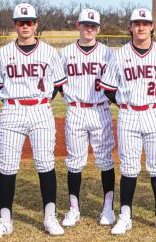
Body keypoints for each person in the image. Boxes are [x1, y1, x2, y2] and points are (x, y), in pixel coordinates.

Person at [99, 8, 156, 235]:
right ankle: (125, 215)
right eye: (136, 23)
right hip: (129, 114)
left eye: (145, 23)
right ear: (130, 27)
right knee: (129, 168)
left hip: (155, 113)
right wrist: (124, 103)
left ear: (152, 27)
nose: (141, 27)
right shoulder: (119, 55)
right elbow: (108, 89)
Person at [0, 3, 67, 239]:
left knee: (45, 164)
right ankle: (5, 221)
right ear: (15, 25)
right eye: (21, 22)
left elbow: (56, 85)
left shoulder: (50, 52)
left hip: (41, 110)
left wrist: (39, 101)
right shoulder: (3, 53)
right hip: (12, 110)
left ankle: (50, 218)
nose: (25, 26)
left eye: (29, 22)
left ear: (36, 24)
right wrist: (16, 102)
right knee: (7, 167)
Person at [58, 8, 116, 228]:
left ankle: (108, 208)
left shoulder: (108, 53)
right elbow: (58, 82)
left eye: (93, 26)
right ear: (78, 26)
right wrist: (71, 99)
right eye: (85, 25)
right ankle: (74, 209)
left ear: (98, 29)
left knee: (105, 161)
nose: (89, 29)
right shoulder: (65, 53)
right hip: (76, 110)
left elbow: (116, 82)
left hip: (100, 109)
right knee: (74, 161)